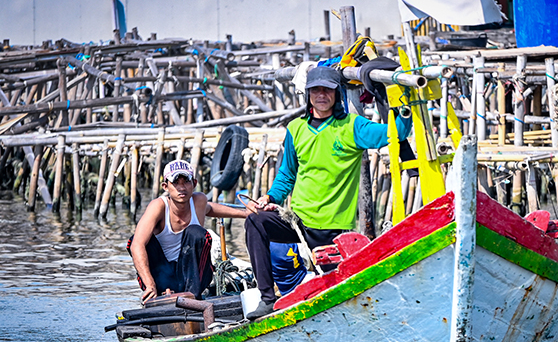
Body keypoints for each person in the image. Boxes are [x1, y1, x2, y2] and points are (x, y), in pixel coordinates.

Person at [243, 65, 413, 319]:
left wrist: (404, 104)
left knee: (342, 305)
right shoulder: (295, 129)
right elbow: (287, 175)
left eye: (327, 90)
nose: (321, 94)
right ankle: (268, 298)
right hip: (298, 223)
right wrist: (269, 198)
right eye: (315, 90)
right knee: (256, 222)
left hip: (334, 231)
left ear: (337, 95)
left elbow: (395, 133)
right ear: (308, 94)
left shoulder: (352, 127)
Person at [127, 159, 248, 303]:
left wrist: (246, 213)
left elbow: (212, 208)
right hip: (163, 275)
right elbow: (136, 245)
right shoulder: (158, 206)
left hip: (194, 276)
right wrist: (150, 285)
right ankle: (159, 291)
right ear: (166, 186)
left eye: (186, 182)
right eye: (176, 183)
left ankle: (192, 295)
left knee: (196, 232)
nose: (181, 187)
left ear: (194, 184)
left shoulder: (199, 202)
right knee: (134, 240)